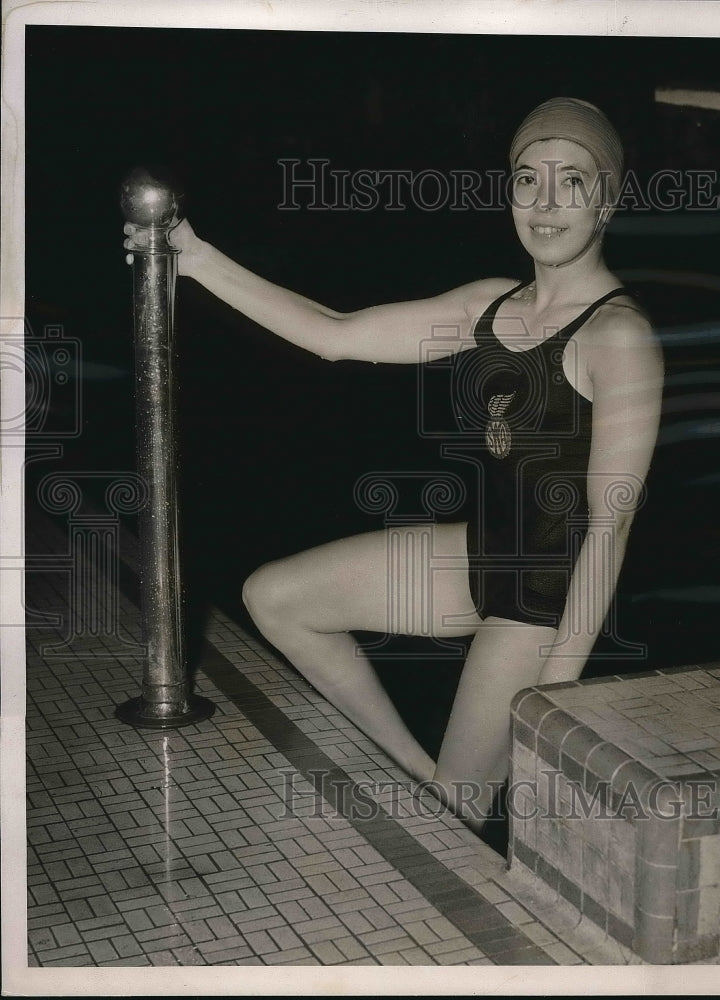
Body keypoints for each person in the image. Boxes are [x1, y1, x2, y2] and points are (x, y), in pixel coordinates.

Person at [124, 97, 663, 843]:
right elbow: (334, 334)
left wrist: (556, 695)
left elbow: (610, 524)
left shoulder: (619, 336)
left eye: (570, 181)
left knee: (458, 810)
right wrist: (192, 253)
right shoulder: (485, 305)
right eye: (525, 179)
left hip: (547, 594)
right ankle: (415, 770)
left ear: (606, 200)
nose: (543, 204)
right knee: (277, 598)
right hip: (480, 552)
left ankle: (443, 799)